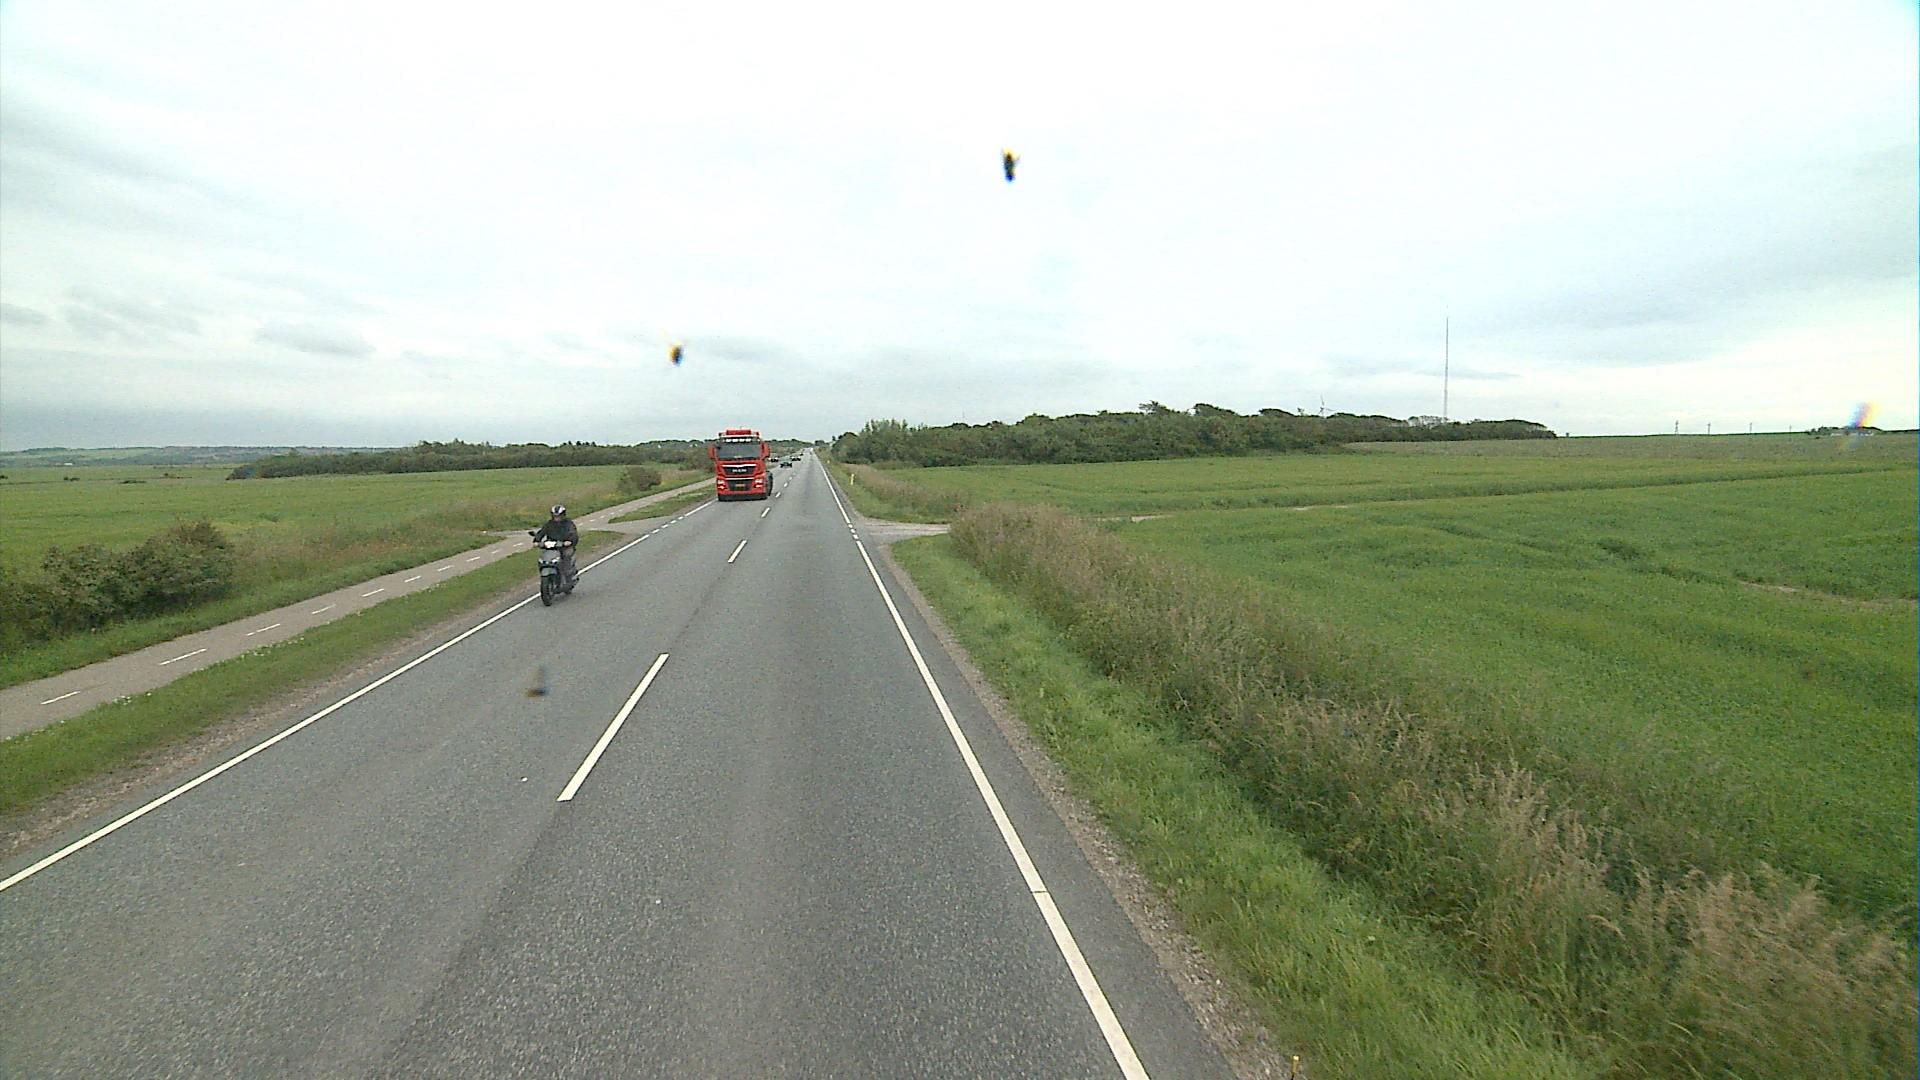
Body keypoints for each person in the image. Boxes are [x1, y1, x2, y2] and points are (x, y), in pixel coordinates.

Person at [531, 504, 578, 585]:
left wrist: (570, 541)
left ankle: (568, 576)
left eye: (558, 516)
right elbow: (541, 532)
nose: (557, 518)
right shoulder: (549, 524)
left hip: (564, 546)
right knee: (544, 556)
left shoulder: (568, 524)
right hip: (552, 546)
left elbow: (573, 533)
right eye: (555, 516)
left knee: (567, 555)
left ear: (563, 515)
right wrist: (536, 541)